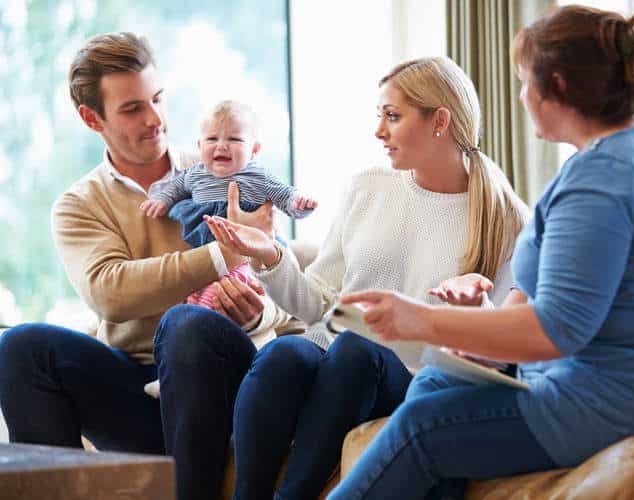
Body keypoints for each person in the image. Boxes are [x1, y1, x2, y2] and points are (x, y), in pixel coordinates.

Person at [327, 6, 634, 500]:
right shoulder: (616, 159)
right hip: (577, 383)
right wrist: (479, 335)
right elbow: (542, 297)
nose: (520, 97)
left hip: (616, 400)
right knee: (431, 387)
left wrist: (421, 321)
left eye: (524, 83)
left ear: (556, 87)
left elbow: (556, 328)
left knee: (423, 427)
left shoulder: (605, 179)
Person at [203, 56, 529, 499]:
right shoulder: (367, 186)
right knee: (283, 356)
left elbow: (507, 344)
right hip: (336, 358)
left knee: (359, 348)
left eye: (392, 116)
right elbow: (321, 303)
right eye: (380, 116)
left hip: (410, 376)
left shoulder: (505, 219)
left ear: (440, 122)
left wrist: (477, 308)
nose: (379, 131)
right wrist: (270, 256)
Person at [0, 32, 290, 500]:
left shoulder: (220, 167)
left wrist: (258, 313)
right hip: (139, 391)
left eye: (158, 99)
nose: (155, 119)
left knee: (185, 325)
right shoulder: (79, 204)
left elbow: (287, 280)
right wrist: (222, 254)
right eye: (133, 108)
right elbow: (110, 293)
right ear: (91, 118)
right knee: (20, 347)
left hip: (225, 381)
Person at [140, 99, 317, 309]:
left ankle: (233, 307)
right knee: (201, 287)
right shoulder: (195, 173)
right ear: (199, 145)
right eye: (212, 139)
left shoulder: (257, 176)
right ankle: (201, 306)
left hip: (248, 249)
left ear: (254, 150)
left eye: (234, 139)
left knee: (245, 283)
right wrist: (162, 199)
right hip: (205, 247)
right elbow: (176, 186)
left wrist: (298, 203)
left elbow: (284, 194)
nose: (221, 145)